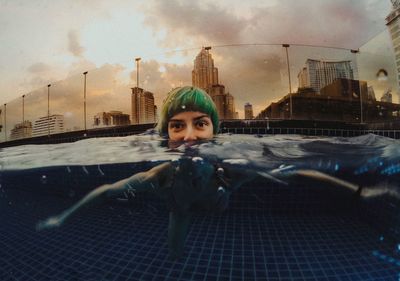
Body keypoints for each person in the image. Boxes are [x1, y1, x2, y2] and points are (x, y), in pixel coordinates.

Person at [37, 86, 360, 258]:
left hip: (219, 193)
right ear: (166, 135)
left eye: (201, 124)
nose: (189, 136)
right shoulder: (161, 175)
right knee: (176, 253)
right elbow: (107, 190)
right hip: (180, 209)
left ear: (214, 130)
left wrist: (360, 191)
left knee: (222, 190)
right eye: (177, 126)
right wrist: (61, 218)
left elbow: (296, 172)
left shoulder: (231, 170)